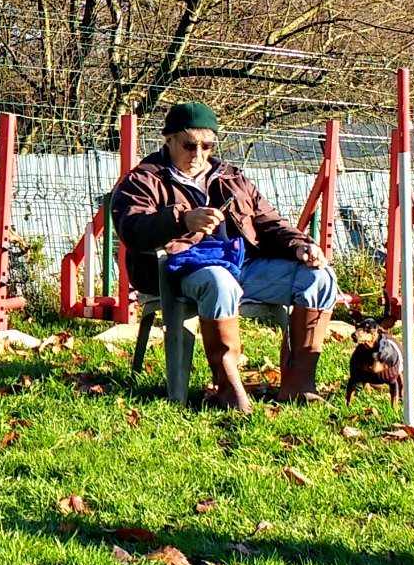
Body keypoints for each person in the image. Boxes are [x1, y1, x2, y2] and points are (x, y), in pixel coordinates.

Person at [112, 101, 338, 408]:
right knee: (221, 281)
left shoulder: (231, 177)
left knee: (319, 278)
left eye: (207, 146)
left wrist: (300, 245)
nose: (198, 154)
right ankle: (229, 390)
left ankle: (299, 388)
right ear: (168, 140)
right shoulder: (144, 179)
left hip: (242, 265)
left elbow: (268, 222)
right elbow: (132, 228)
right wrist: (182, 220)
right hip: (180, 269)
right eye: (189, 145)